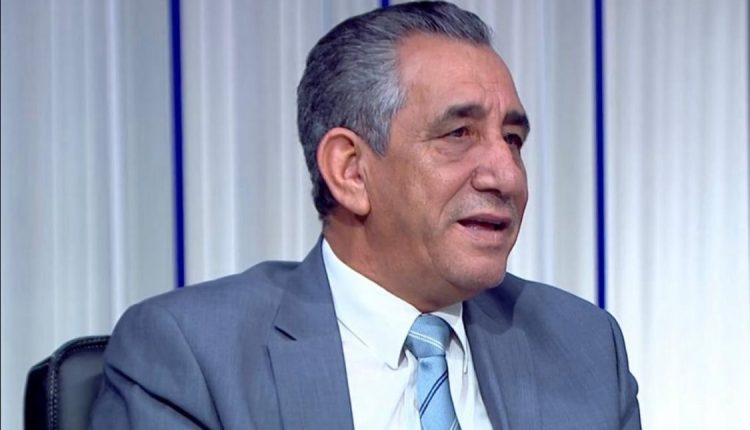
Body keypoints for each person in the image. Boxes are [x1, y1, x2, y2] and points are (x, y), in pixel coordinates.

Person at [90, 2, 641, 429]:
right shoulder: (194, 357)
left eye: (513, 139)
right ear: (351, 170)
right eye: (458, 134)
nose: (507, 176)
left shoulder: (583, 346)